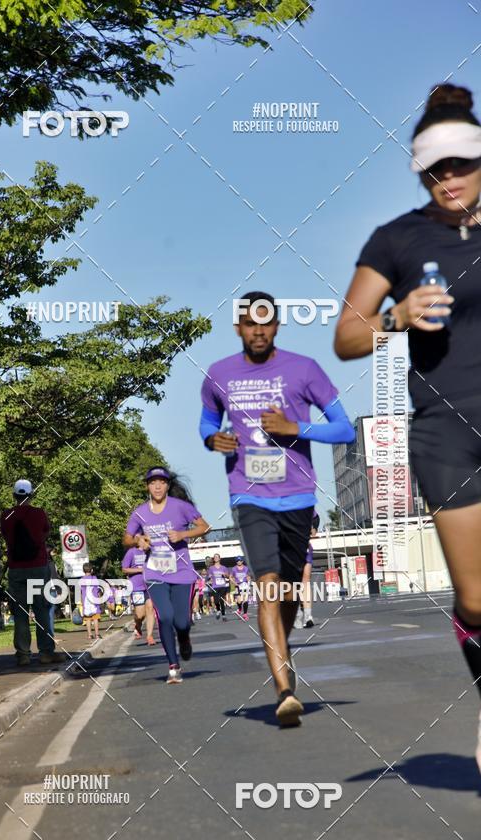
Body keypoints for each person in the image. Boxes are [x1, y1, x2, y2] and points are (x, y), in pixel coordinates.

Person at [334, 82, 481, 771]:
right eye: (435, 168)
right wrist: (395, 317)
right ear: (420, 170)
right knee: (477, 597)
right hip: (447, 431)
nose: (449, 178)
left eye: (462, 163)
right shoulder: (396, 239)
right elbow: (346, 336)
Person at [200, 292, 355, 725]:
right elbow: (207, 421)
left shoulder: (304, 369)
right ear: (238, 328)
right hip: (248, 495)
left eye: (266, 324)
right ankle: (284, 688)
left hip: (299, 496)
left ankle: (281, 656)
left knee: (287, 590)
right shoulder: (218, 374)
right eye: (250, 323)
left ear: (277, 326)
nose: (258, 331)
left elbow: (344, 428)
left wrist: (296, 428)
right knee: (267, 582)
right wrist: (212, 439)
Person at [123, 467, 210, 684]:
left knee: (181, 621)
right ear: (147, 486)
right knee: (165, 616)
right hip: (154, 573)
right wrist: (137, 540)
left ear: (168, 485)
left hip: (181, 573)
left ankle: (184, 637)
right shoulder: (140, 512)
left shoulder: (181, 507)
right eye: (153, 483)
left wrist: (183, 534)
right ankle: (173, 667)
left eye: (162, 482)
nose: (158, 486)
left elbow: (204, 526)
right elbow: (126, 538)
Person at [0, 479, 67, 667]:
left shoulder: (6, 515)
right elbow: (45, 532)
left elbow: (6, 536)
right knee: (41, 610)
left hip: (16, 569)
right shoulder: (39, 514)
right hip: (37, 567)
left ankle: (23, 654)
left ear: (14, 495)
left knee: (20, 613)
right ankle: (45, 652)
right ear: (31, 495)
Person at [122, 544, 156, 644]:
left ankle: (149, 636)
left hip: (150, 584)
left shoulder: (151, 551)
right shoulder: (131, 552)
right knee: (140, 615)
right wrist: (140, 570)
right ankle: (138, 625)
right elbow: (124, 569)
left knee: (150, 609)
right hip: (136, 586)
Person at [297, 513, 320, 629]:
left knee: (305, 580)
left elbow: (315, 517)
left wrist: (314, 528)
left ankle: (308, 616)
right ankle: (296, 613)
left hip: (303, 546)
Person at [79, 562, 101, 642]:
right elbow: (97, 589)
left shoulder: (81, 580)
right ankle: (97, 634)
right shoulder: (94, 578)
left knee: (88, 619)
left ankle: (89, 635)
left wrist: (82, 602)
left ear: (83, 570)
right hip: (94, 600)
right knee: (95, 618)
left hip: (86, 601)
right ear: (91, 570)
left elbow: (81, 591)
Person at [207, 553, 230, 620]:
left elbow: (228, 576)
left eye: (217, 557)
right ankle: (218, 610)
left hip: (222, 586)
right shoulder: (211, 568)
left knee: (221, 600)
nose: (216, 558)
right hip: (215, 586)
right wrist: (209, 580)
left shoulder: (224, 567)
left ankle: (223, 615)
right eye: (215, 557)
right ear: (214, 559)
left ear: (219, 558)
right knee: (216, 601)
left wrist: (225, 574)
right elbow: (210, 577)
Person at [231, 556, 252, 620]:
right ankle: (240, 608)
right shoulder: (234, 569)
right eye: (237, 561)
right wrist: (234, 583)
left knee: (245, 600)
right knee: (239, 601)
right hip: (237, 586)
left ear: (242, 561)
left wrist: (248, 582)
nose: (238, 562)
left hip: (245, 585)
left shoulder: (246, 568)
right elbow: (230, 577)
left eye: (240, 561)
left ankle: (245, 614)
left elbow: (248, 576)